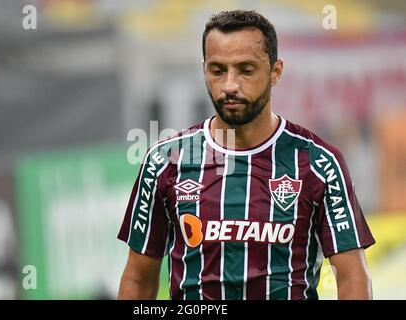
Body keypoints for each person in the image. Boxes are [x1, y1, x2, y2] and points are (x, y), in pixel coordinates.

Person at [117, 10, 375, 300]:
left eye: (246, 70)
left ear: (276, 71)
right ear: (204, 69)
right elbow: (138, 279)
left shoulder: (319, 163)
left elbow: (352, 276)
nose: (229, 85)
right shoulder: (167, 160)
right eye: (217, 70)